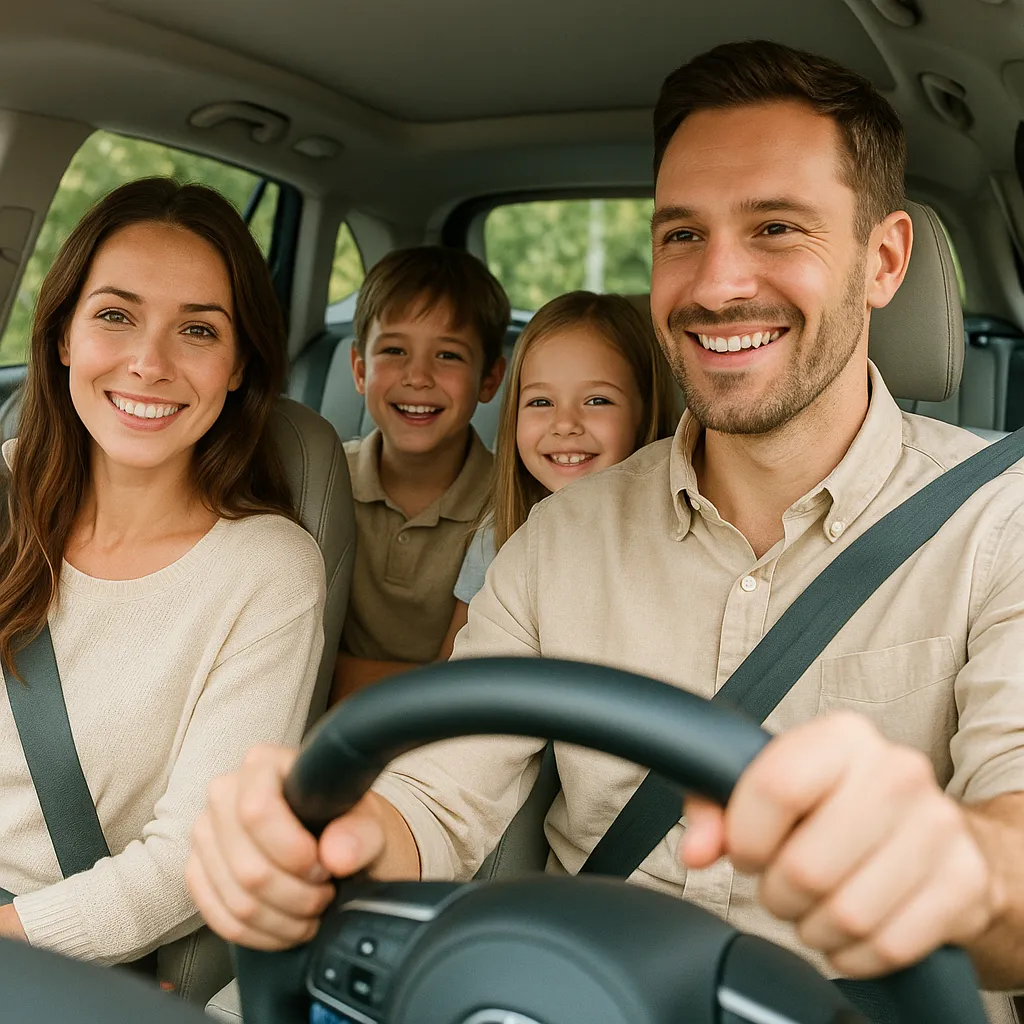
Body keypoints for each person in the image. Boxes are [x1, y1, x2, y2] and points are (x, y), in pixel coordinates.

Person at [187, 41, 1024, 1021]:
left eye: (776, 228)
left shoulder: (999, 523)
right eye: (682, 235)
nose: (716, 284)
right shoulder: (560, 538)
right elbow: (443, 791)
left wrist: (953, 867)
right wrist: (333, 844)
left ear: (882, 261)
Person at [0, 177, 326, 966]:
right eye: (116, 315)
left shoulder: (268, 573)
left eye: (198, 330)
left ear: (240, 365)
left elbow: (186, 861)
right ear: (64, 335)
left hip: (45, 959)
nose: (149, 363)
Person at [438, 290, 678, 658]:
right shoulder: (498, 533)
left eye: (597, 400)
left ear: (644, 413)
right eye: (541, 402)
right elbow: (453, 676)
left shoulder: (674, 538)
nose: (565, 424)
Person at [331, 246, 508, 701]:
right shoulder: (323, 482)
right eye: (394, 350)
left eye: (447, 355)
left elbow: (464, 686)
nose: (417, 376)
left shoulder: (510, 504)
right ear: (360, 370)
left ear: (489, 380)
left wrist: (337, 676)